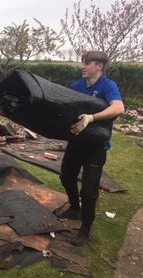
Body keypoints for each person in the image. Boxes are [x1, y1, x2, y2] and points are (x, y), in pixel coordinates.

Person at [58, 51, 125, 246]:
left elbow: (119, 108)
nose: (82, 66)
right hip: (76, 142)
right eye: (83, 62)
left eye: (87, 63)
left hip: (96, 147)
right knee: (66, 176)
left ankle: (85, 230)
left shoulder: (107, 85)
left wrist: (92, 117)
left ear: (99, 66)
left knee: (89, 190)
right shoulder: (77, 86)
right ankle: (74, 208)